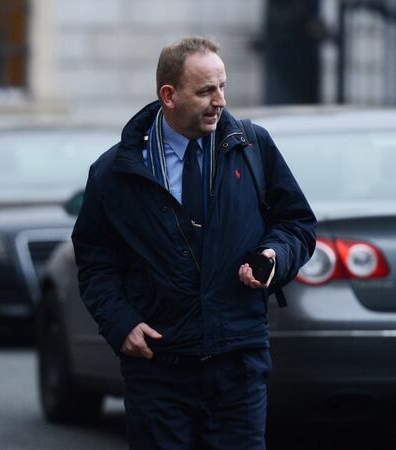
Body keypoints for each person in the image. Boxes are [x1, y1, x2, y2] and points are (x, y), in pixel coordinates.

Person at [71, 36, 316, 450]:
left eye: (223, 86)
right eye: (205, 90)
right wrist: (121, 323)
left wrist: (276, 257)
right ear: (169, 95)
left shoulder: (253, 147)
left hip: (237, 362)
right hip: (157, 367)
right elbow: (95, 261)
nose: (219, 100)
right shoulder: (117, 170)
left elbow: (297, 224)